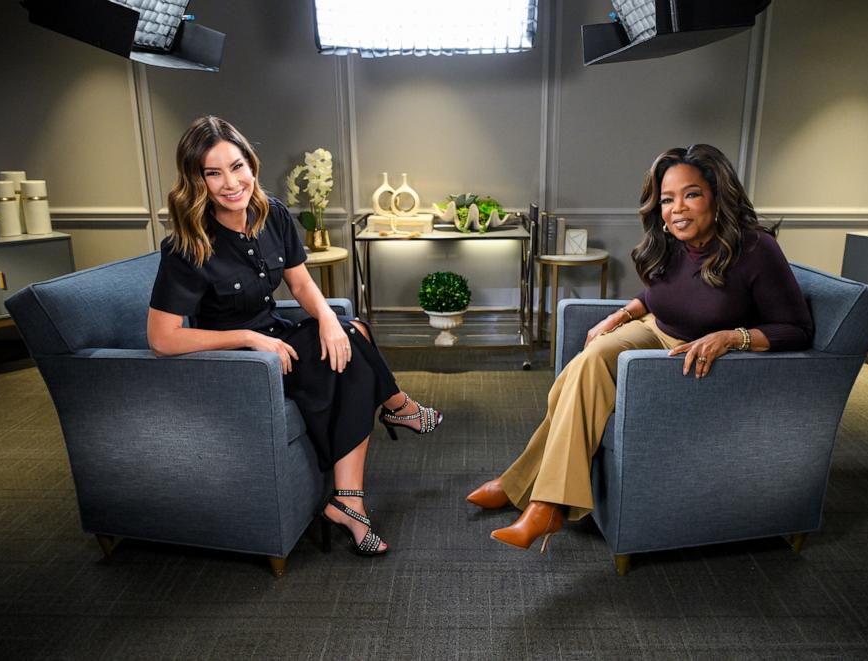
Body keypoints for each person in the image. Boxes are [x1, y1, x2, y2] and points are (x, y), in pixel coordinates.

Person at [466, 144, 814, 551]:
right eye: (667, 199)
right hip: (655, 330)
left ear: (718, 196)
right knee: (587, 364)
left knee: (579, 375)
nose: (677, 208)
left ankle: (538, 500)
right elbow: (660, 295)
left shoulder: (756, 249)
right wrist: (620, 316)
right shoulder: (674, 240)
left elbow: (798, 329)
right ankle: (536, 499)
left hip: (688, 354)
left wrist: (732, 337)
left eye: (692, 194)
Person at [147, 116, 442, 557]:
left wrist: (325, 317)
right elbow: (162, 338)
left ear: (251, 164)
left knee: (348, 333)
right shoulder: (188, 245)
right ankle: (397, 410)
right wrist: (247, 338)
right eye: (213, 173)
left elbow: (301, 283)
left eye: (237, 166)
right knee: (354, 345)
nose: (231, 183)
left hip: (276, 338)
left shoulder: (273, 213)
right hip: (240, 364)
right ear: (196, 180)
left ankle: (349, 501)